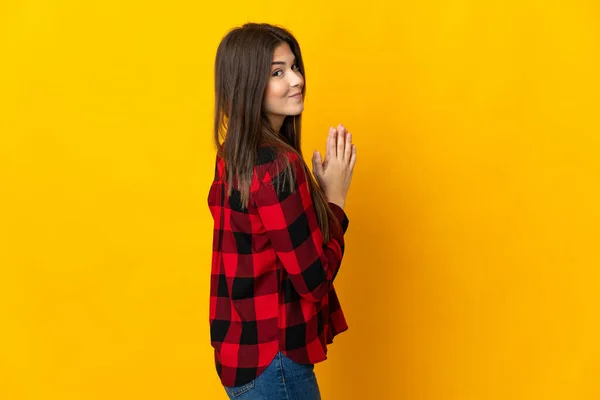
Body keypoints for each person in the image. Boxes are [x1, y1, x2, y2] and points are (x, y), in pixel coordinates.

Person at [207, 22, 357, 399]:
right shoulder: (277, 166)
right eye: (277, 72)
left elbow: (268, 250)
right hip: (274, 363)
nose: (296, 79)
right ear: (248, 84)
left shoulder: (233, 156)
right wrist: (336, 201)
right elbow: (314, 281)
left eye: (294, 66)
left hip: (241, 358)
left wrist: (315, 199)